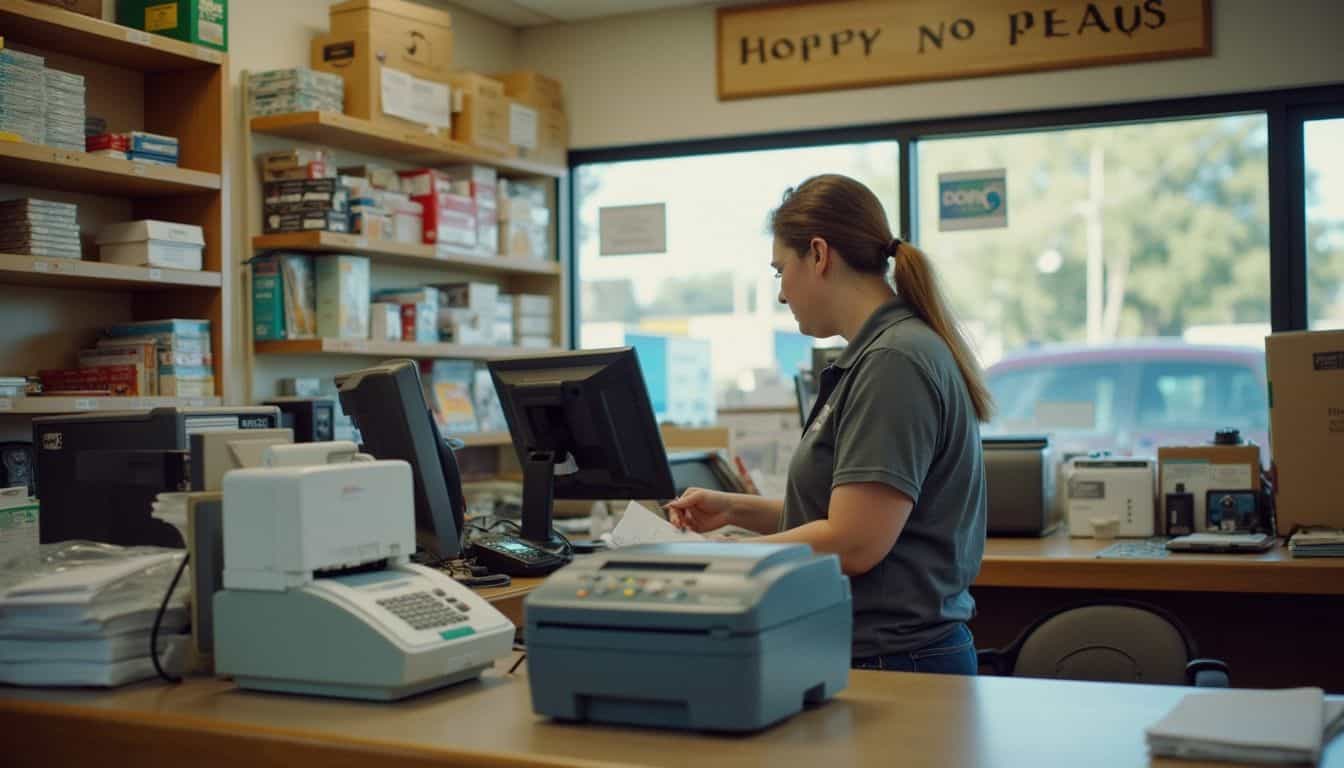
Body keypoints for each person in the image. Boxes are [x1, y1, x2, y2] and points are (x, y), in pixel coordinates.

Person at [665, 174, 994, 675]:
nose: (780, 295)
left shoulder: (894, 360)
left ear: (818, 254)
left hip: (896, 662)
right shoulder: (879, 353)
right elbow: (838, 514)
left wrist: (715, 558)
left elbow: (854, 542)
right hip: (876, 652)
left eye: (780, 272)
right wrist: (732, 509)